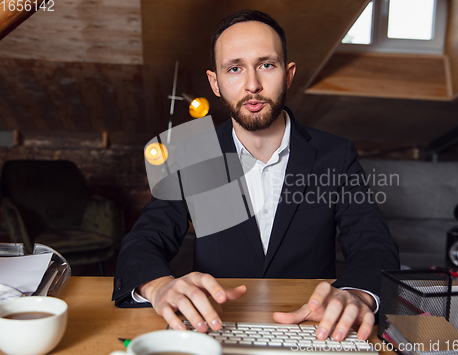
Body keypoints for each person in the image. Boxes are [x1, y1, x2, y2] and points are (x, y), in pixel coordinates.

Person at [112, 9, 400, 342]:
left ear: (288, 75)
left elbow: (372, 241)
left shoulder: (336, 154)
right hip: (215, 329)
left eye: (266, 65)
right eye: (234, 68)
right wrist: (160, 286)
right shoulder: (194, 153)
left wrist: (359, 294)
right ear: (215, 83)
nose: (252, 85)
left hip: (313, 329)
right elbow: (145, 239)